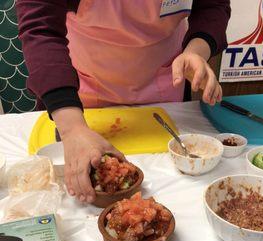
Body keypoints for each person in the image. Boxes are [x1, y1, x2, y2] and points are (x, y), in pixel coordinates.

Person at [17, 0, 231, 203]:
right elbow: (40, 29)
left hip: (164, 81)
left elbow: (212, 6)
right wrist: (72, 129)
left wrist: (196, 51)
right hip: (83, 90)